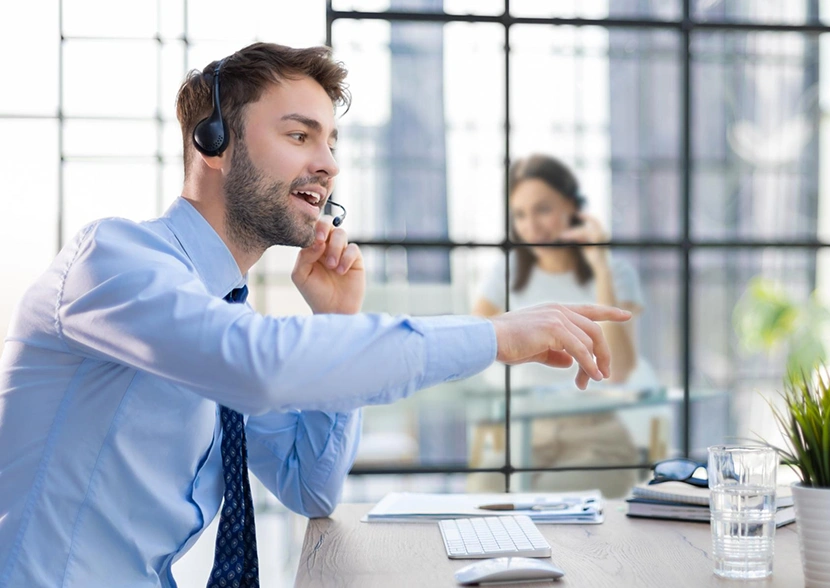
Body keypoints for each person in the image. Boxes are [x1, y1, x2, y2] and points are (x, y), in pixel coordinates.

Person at [0, 44, 630, 588]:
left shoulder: (219, 311)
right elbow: (258, 366)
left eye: (330, 142)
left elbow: (310, 487)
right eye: (300, 136)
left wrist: (335, 321)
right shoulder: (114, 261)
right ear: (212, 144)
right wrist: (494, 336)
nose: (328, 163)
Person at [469, 154, 656, 499]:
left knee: (548, 503)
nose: (532, 226)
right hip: (523, 433)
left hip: (596, 436)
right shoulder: (505, 273)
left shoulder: (616, 272)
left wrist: (600, 266)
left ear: (571, 205)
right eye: (521, 215)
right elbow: (470, 345)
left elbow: (620, 369)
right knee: (483, 496)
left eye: (543, 209)